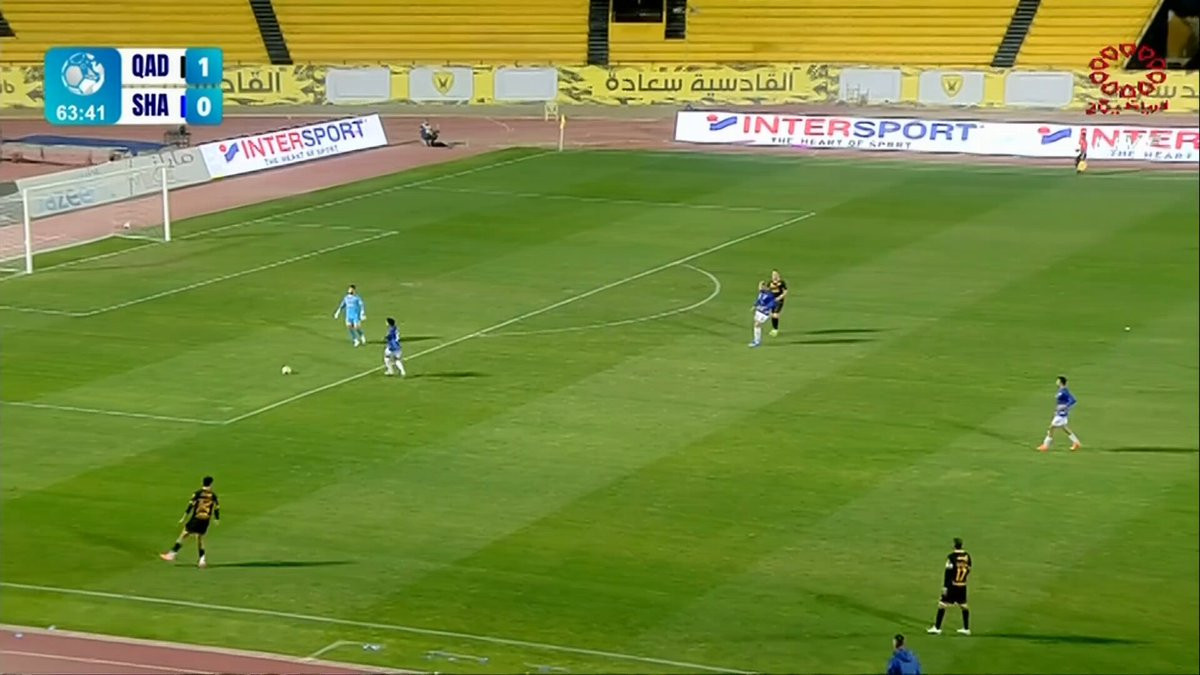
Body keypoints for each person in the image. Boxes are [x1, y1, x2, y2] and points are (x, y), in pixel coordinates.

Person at [159, 476, 219, 568]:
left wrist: (184, 517)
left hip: (196, 518)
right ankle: (202, 560)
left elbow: (190, 506)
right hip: (205, 519)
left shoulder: (198, 493)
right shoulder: (213, 495)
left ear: (203, 483)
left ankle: (172, 554)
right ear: (211, 484)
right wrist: (217, 518)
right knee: (200, 538)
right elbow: (216, 508)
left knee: (184, 534)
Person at [928, 537, 972, 636]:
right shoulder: (967, 556)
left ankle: (937, 628)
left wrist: (945, 587)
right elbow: (969, 568)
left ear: (954, 545)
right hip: (962, 585)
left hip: (952, 585)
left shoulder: (951, 557)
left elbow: (948, 573)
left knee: (942, 604)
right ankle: (966, 628)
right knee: (963, 605)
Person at [1038, 376, 1081, 451]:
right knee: (1064, 428)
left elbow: (1073, 400)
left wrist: (1065, 406)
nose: (1056, 382)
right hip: (1059, 412)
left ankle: (1045, 446)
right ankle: (1076, 442)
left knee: (1051, 427)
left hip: (1062, 413)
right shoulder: (1061, 390)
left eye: (1057, 381)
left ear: (1061, 382)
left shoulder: (1064, 391)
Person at [749, 281, 776, 348]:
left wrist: (766, 308)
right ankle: (756, 340)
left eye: (762, 286)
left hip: (765, 312)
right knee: (756, 325)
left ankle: (757, 342)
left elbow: (773, 303)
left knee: (757, 324)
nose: (760, 287)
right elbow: (759, 300)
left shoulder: (770, 295)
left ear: (766, 287)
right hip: (759, 311)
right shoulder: (761, 293)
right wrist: (754, 306)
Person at [767, 269, 788, 336]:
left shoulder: (781, 283)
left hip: (779, 301)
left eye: (775, 274)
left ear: (778, 275)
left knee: (775, 315)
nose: (774, 276)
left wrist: (779, 298)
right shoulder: (770, 283)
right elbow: (768, 291)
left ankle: (775, 329)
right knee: (772, 315)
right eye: (773, 274)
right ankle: (774, 329)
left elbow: (785, 292)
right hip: (772, 301)